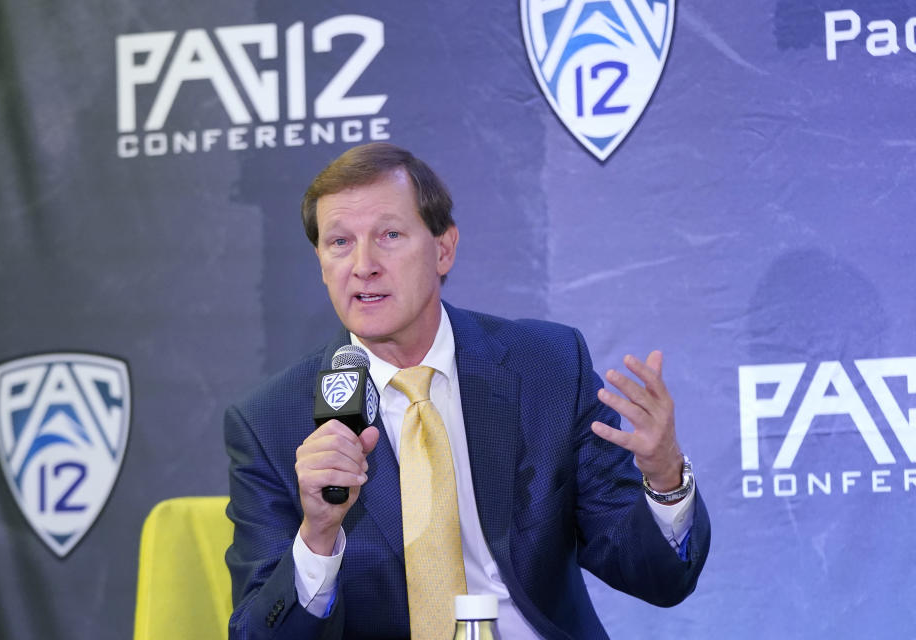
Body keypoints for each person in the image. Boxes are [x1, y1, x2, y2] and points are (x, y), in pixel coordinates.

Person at [224, 143, 710, 640]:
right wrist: (319, 535)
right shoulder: (270, 423)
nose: (363, 264)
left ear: (443, 248)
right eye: (340, 242)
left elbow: (658, 578)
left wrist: (665, 476)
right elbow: (256, 634)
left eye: (389, 235)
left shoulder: (546, 366)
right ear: (321, 262)